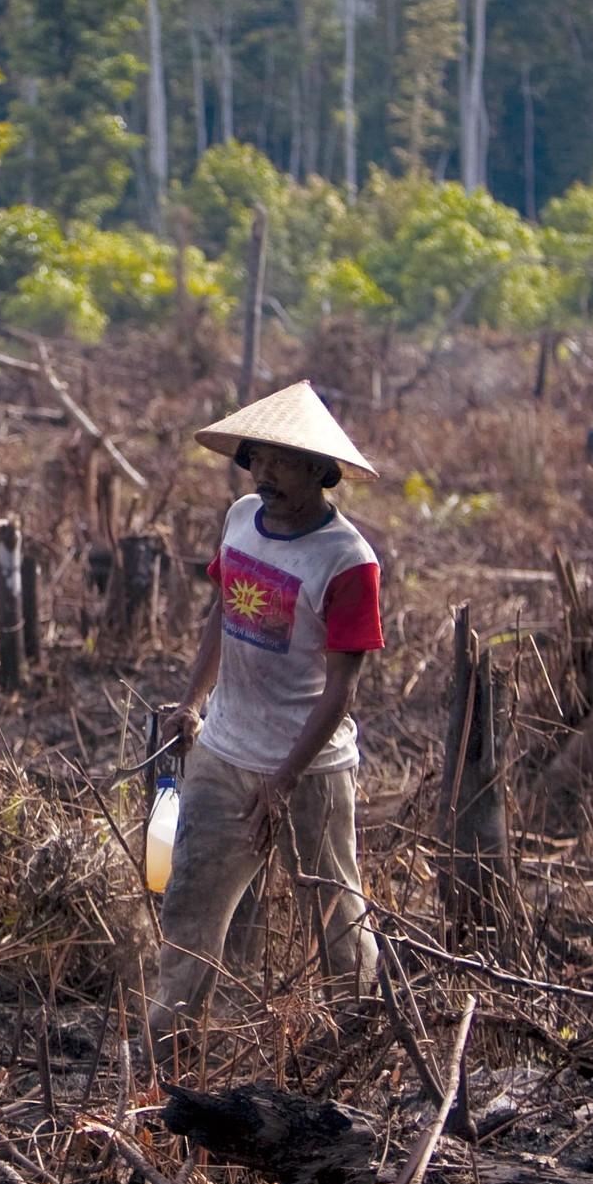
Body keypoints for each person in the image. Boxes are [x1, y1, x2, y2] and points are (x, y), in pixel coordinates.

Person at [149, 381, 385, 1042]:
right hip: (224, 753)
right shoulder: (238, 520)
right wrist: (193, 701)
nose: (268, 474)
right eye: (259, 459)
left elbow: (341, 690)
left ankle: (357, 1043)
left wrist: (282, 782)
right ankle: (166, 1051)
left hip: (310, 771)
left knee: (337, 917)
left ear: (321, 471)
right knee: (190, 906)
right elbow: (221, 616)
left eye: (285, 462)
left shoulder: (347, 561)